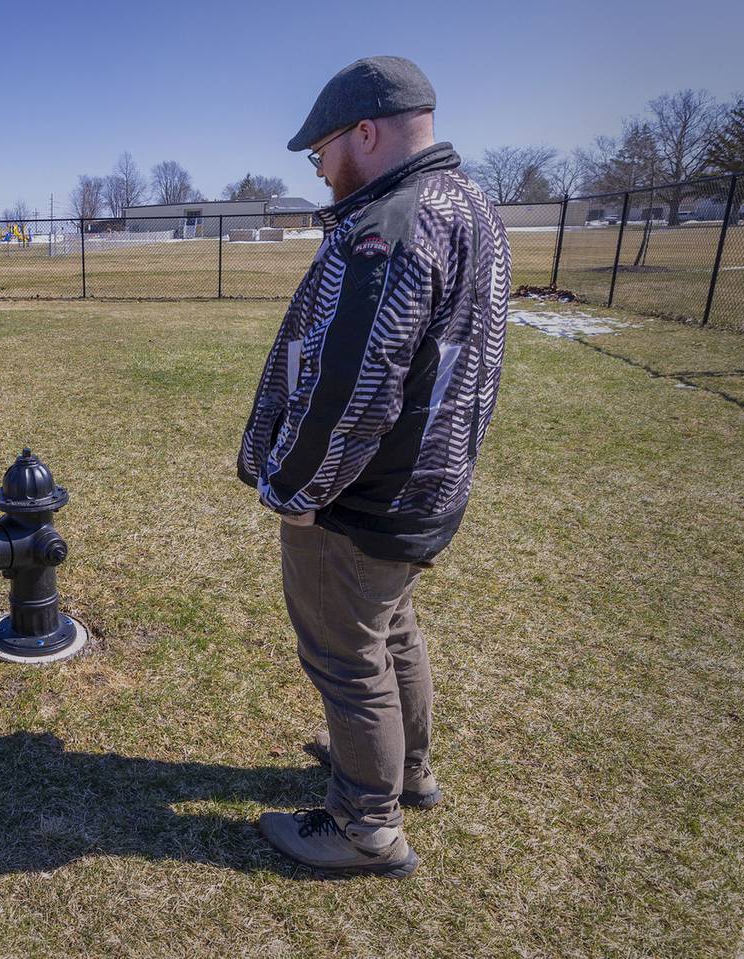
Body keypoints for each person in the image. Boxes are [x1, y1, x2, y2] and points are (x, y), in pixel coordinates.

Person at [239, 56, 510, 879]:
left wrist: (295, 490)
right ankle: (408, 768)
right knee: (390, 631)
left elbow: (354, 387)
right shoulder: (472, 206)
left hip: (361, 499)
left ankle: (366, 823)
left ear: (367, 131)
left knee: (347, 654)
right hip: (427, 486)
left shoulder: (389, 225)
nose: (318, 167)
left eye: (320, 148)